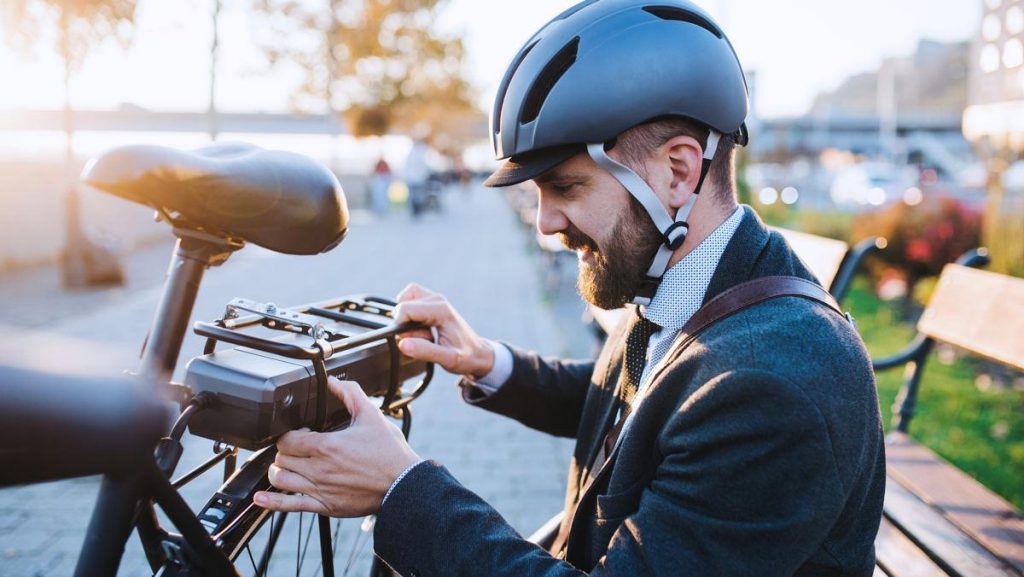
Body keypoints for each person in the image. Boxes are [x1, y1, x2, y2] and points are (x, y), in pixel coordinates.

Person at [254, 1, 886, 575]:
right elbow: (641, 406)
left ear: (677, 172)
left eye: (565, 187)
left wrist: (401, 488)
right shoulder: (697, 285)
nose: (544, 224)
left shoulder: (774, 384)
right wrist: (488, 362)